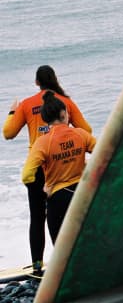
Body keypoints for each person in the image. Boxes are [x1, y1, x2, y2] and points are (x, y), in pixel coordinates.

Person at [3, 66, 92, 274]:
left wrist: (12, 112)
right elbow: (86, 130)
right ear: (54, 79)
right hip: (61, 165)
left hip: (37, 168)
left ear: (36, 83)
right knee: (70, 215)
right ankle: (74, 260)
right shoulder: (65, 103)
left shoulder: (26, 104)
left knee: (37, 217)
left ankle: (37, 266)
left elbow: (8, 133)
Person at [21, 91, 96, 244]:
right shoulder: (81, 134)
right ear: (63, 114)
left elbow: (27, 175)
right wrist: (87, 166)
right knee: (89, 243)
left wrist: (45, 189)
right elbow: (105, 152)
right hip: (83, 194)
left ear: (46, 120)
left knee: (63, 251)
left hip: (59, 201)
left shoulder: (42, 143)